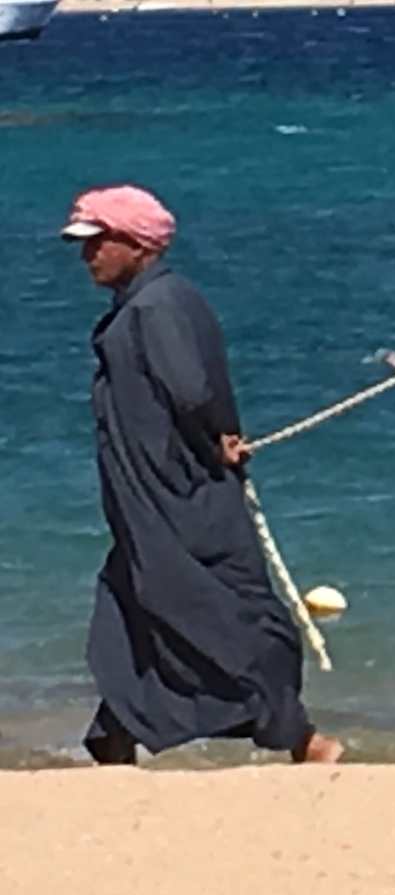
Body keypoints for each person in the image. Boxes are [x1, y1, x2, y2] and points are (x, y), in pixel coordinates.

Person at [61, 184, 341, 765]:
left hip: (179, 502)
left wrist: (219, 437)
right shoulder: (150, 305)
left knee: (216, 616)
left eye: (98, 242)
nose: (88, 255)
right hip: (147, 506)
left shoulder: (156, 308)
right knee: (134, 616)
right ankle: (114, 739)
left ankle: (301, 738)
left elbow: (190, 391)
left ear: (138, 245)